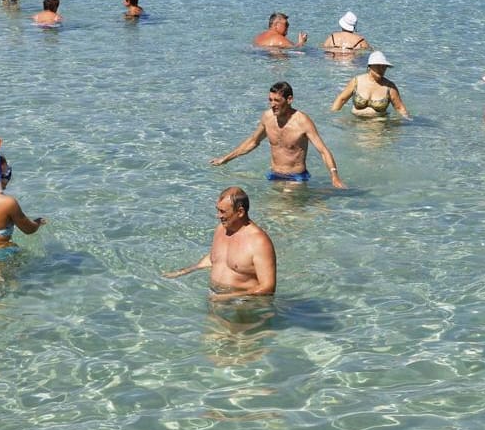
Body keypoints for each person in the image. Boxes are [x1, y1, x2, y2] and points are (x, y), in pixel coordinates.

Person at [211, 82, 344, 187]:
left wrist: (334, 176)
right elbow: (253, 142)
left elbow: (323, 151)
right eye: (270, 100)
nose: (272, 105)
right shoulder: (267, 117)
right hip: (274, 175)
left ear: (289, 99)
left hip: (296, 178)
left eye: (277, 100)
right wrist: (225, 159)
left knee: (283, 208)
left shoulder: (302, 121)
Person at [164, 188, 276, 298]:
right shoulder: (221, 229)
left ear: (240, 212)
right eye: (217, 210)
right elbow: (215, 258)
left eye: (223, 211)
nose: (218, 216)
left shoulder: (259, 242)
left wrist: (228, 297)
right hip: (216, 298)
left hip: (245, 304)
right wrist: (184, 271)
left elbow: (267, 288)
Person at [331, 52, 409, 119]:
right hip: (355, 122)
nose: (381, 69)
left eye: (384, 67)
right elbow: (341, 99)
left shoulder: (390, 87)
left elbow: (400, 108)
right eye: (378, 66)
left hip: (378, 125)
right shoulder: (356, 81)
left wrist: (407, 120)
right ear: (370, 66)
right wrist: (333, 117)